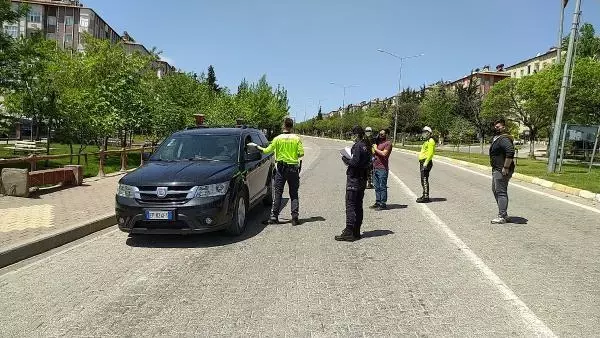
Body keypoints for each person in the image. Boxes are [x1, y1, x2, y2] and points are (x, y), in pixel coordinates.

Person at [248, 117, 304, 226]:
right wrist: (292, 156)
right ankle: (295, 218)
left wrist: (256, 146)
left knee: (278, 193)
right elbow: (301, 154)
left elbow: (266, 150)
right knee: (294, 193)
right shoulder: (296, 139)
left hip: (281, 169)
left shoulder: (277, 139)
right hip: (293, 169)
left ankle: (274, 217)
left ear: (283, 126)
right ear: (292, 126)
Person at [335, 125, 371, 242]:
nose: (351, 137)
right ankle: (356, 231)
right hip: (362, 179)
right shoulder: (366, 145)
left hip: (354, 179)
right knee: (358, 206)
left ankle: (349, 231)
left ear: (356, 135)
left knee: (350, 205)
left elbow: (354, 163)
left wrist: (345, 159)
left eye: (352, 134)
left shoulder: (358, 146)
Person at [489, 119, 515, 224]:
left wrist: (506, 167)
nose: (496, 128)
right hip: (497, 169)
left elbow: (510, 151)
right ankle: (504, 213)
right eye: (495, 126)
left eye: (498, 126)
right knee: (496, 190)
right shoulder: (498, 138)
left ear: (504, 127)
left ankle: (502, 216)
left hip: (502, 169)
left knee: (501, 191)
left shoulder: (504, 139)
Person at [370, 128, 392, 210]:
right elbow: (373, 153)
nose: (380, 135)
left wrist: (376, 149)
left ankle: (383, 204)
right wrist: (373, 148)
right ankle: (378, 201)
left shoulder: (388, 143)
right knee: (376, 186)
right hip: (375, 167)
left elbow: (384, 153)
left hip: (383, 168)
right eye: (379, 134)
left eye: (382, 134)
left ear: (387, 135)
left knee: (382, 186)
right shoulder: (378, 143)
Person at [417, 126, 436, 203]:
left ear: (429, 133)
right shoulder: (426, 141)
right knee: (423, 179)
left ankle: (426, 197)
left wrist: (425, 163)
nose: (423, 134)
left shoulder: (431, 141)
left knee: (424, 179)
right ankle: (424, 194)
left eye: (424, 132)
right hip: (423, 162)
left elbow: (431, 153)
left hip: (426, 163)